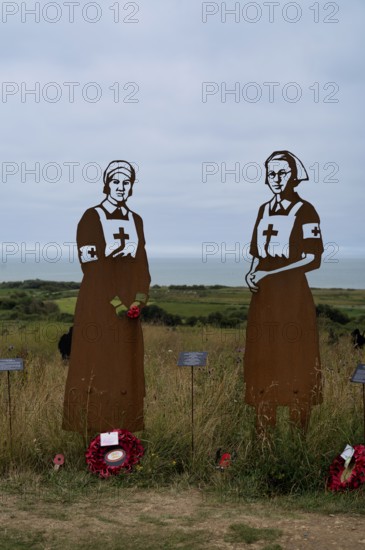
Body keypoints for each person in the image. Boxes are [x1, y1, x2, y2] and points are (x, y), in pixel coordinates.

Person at [63, 160, 150, 436]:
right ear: (106, 184)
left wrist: (138, 300)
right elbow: (91, 265)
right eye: (116, 182)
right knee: (99, 366)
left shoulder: (136, 220)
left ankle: (123, 436)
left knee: (123, 368)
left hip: (128, 311)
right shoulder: (92, 217)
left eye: (126, 183)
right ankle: (94, 436)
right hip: (99, 305)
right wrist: (116, 304)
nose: (121, 188)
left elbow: (141, 265)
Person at [244, 151, 323, 431]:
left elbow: (313, 258)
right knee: (264, 358)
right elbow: (257, 251)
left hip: (292, 298)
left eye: (282, 173)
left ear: (294, 176)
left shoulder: (306, 210)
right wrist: (252, 273)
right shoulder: (263, 209)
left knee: (294, 359)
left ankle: (297, 436)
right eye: (271, 174)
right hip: (264, 299)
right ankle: (263, 434)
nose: (276, 179)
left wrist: (270, 273)